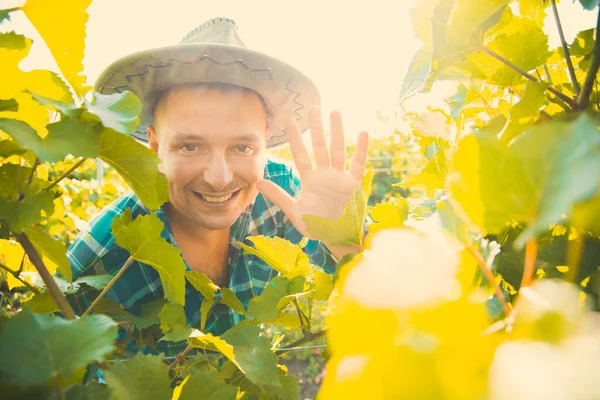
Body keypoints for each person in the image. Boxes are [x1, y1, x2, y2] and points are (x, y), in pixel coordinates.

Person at [67, 17, 369, 356]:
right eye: (190, 146)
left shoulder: (284, 195)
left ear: (265, 141)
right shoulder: (100, 263)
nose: (219, 177)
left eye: (242, 147)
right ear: (154, 145)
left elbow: (383, 294)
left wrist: (344, 239)